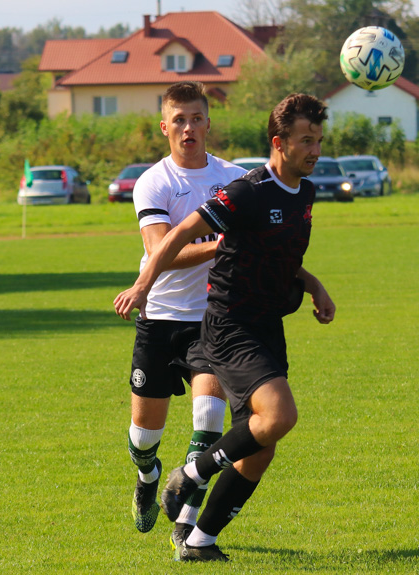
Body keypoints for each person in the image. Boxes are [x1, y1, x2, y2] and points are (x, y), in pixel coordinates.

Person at [114, 93, 336, 562]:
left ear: (209, 123)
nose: (315, 150)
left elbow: (281, 255)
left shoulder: (299, 192)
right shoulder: (232, 189)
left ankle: (197, 539)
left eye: (318, 140)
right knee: (148, 436)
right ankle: (169, 475)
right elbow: (170, 240)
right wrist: (140, 286)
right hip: (198, 320)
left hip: (252, 325)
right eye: (306, 141)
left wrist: (314, 285)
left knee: (258, 441)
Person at [124, 81, 247, 544]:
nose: (189, 127)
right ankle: (148, 478)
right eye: (179, 120)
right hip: (159, 317)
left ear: (209, 123)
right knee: (143, 440)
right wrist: (222, 243)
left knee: (210, 420)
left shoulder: (235, 179)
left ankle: (187, 525)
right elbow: (161, 251)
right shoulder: (155, 181)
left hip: (211, 319)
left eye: (196, 118)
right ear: (164, 128)